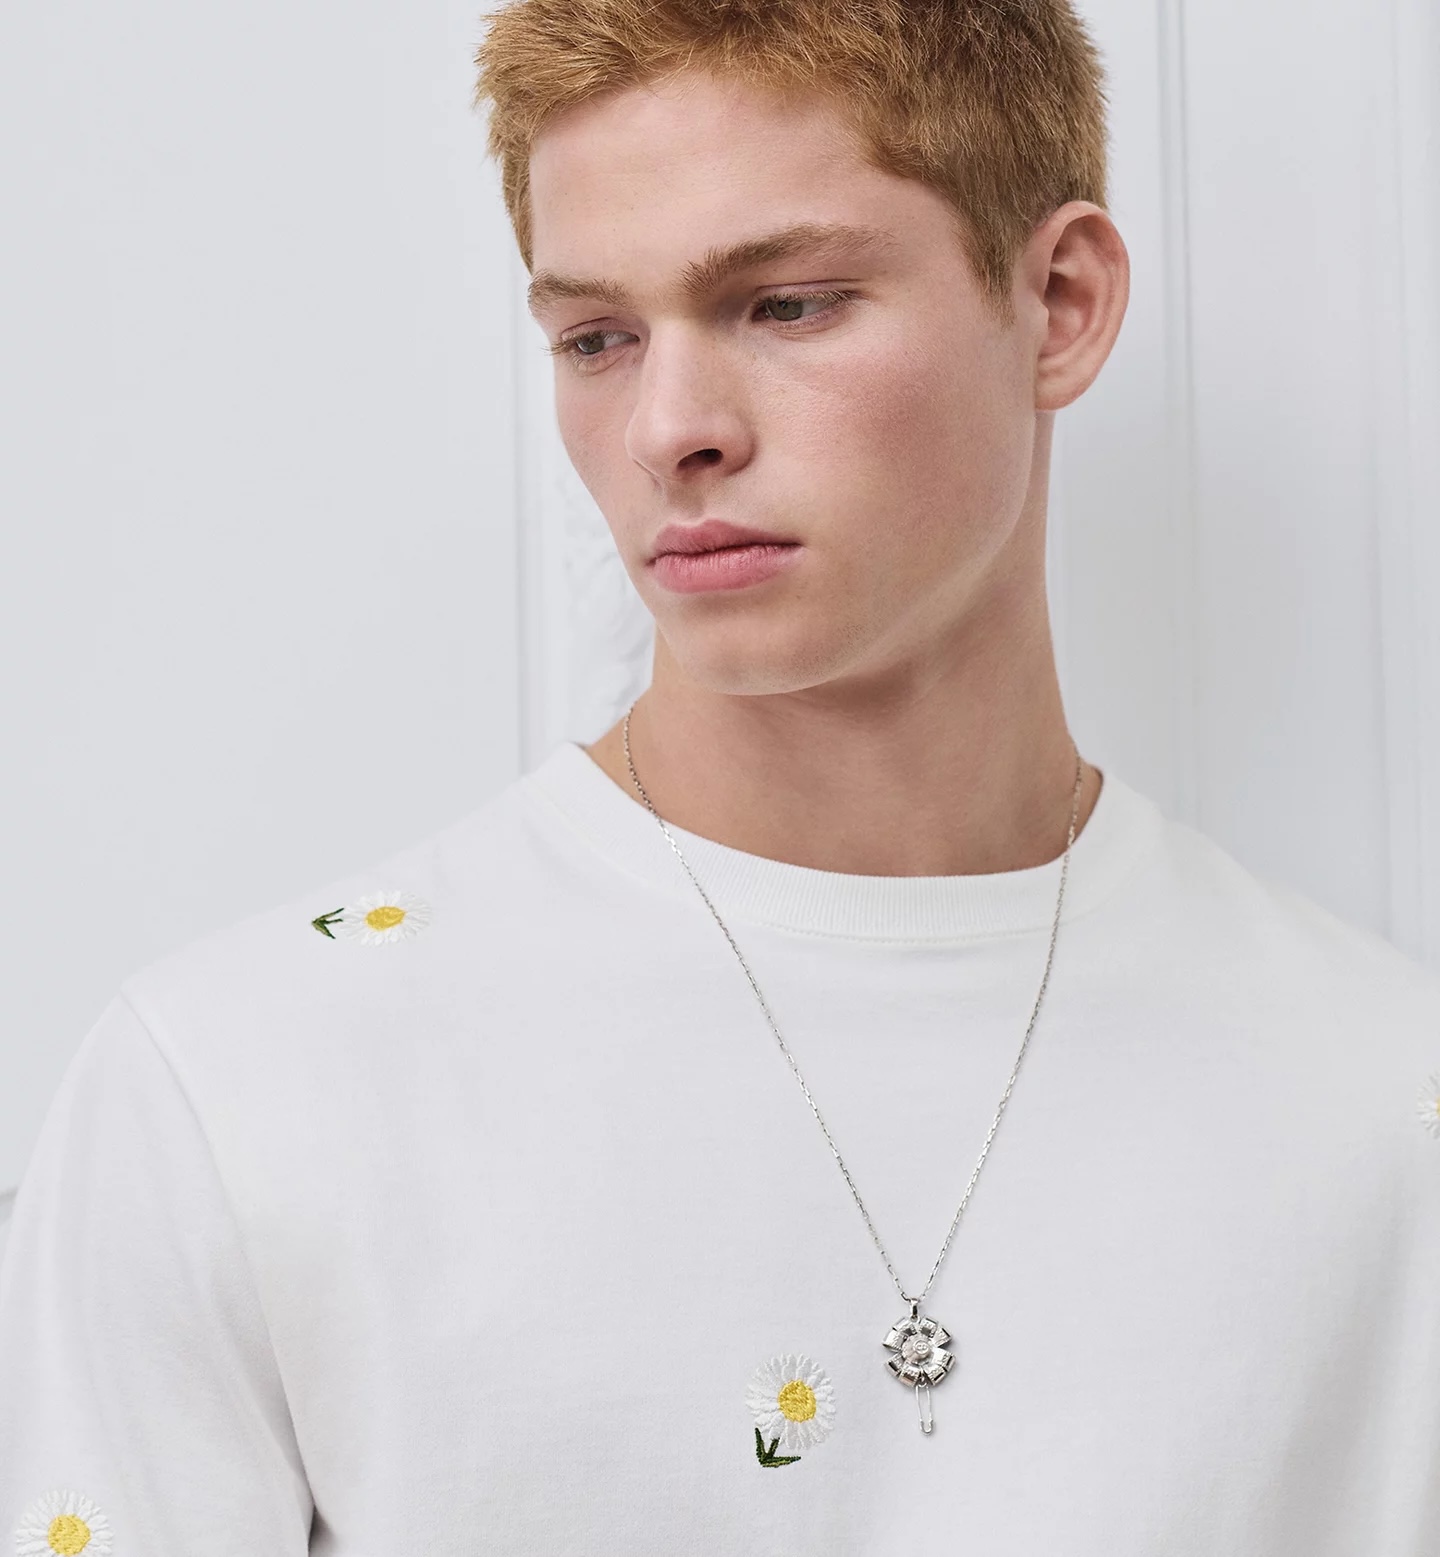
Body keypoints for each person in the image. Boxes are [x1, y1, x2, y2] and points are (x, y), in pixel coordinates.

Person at [3, 0, 1439, 1550]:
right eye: (596, 339)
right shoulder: (237, 1086)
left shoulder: (1384, 1102)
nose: (667, 431)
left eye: (788, 304)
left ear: (1062, 304)